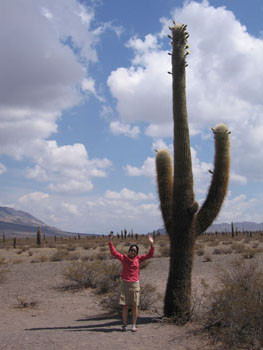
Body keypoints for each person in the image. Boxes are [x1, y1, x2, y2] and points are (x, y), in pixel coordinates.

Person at [108, 232, 154, 332]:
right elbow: (114, 253)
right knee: (125, 306)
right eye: (131, 250)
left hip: (135, 284)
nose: (133, 252)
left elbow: (150, 255)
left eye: (134, 251)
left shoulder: (138, 259)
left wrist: (151, 244)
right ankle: (124, 325)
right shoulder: (124, 258)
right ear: (129, 251)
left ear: (136, 253)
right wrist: (110, 241)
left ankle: (134, 325)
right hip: (125, 284)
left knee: (134, 306)